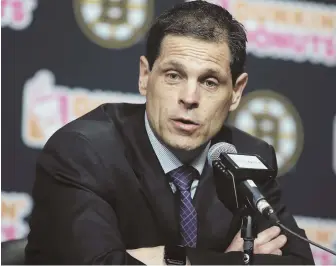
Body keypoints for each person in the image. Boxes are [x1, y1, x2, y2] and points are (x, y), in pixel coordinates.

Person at [25, 1, 314, 264]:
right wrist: (229, 262)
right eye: (173, 76)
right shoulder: (83, 151)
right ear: (145, 76)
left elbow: (298, 263)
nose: (189, 97)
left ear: (236, 92)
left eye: (210, 82)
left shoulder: (248, 156)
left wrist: (169, 259)